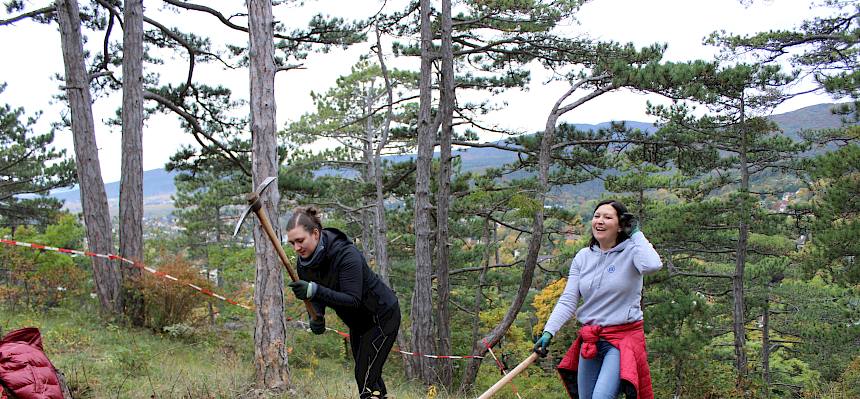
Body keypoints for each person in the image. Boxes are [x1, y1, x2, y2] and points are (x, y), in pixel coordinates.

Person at [533, 199, 662, 399]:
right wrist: (549, 331)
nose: (600, 221)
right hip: (591, 339)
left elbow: (652, 265)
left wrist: (636, 233)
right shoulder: (583, 257)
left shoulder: (632, 253)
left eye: (607, 217)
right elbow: (568, 300)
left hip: (621, 339)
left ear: (620, 226)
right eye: (597, 216)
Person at [285, 206, 401, 399]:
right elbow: (316, 298)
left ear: (315, 233)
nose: (296, 248)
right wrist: (316, 316)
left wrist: (314, 289)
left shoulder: (346, 255)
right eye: (291, 243)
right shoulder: (304, 262)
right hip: (359, 324)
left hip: (382, 315)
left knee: (365, 375)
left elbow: (353, 299)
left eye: (300, 240)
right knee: (369, 376)